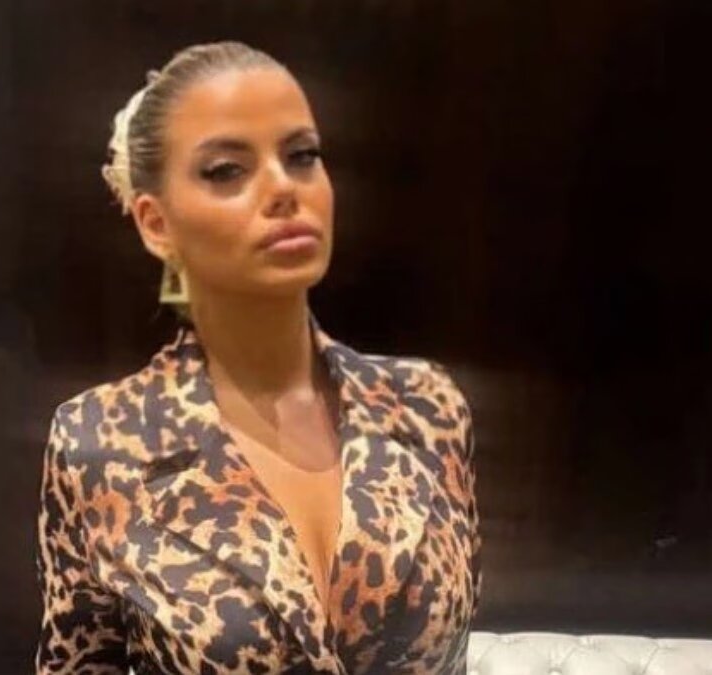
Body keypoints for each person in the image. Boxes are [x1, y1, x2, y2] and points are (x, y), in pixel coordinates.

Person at [35, 40, 481, 675]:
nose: (282, 187)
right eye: (226, 170)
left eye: (302, 156)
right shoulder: (99, 444)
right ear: (156, 223)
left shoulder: (428, 408)